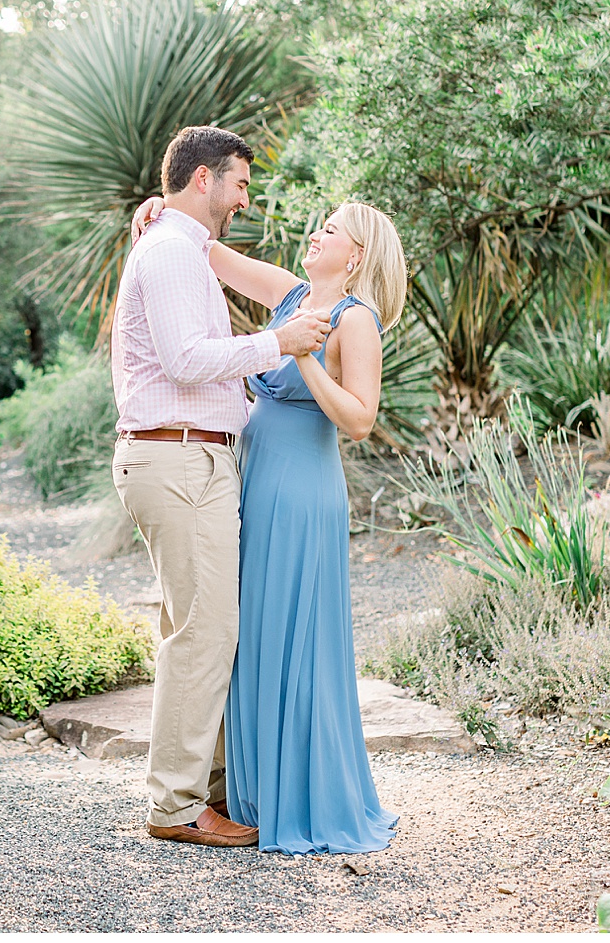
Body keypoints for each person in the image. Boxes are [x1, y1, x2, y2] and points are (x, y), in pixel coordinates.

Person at [129, 195, 408, 854]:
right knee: (247, 634)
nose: (316, 233)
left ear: (357, 254)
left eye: (331, 229)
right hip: (252, 480)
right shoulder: (291, 295)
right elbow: (210, 252)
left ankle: (303, 797)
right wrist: (160, 211)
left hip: (302, 492)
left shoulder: (355, 319)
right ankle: (251, 791)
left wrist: (304, 356)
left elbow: (361, 420)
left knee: (294, 638)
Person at [109, 126, 333, 848]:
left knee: (204, 626)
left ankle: (205, 788)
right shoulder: (171, 251)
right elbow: (184, 358)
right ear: (203, 179)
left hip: (188, 459)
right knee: (204, 630)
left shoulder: (177, 245)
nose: (245, 197)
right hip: (176, 460)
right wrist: (280, 344)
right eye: (239, 182)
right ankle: (175, 805)